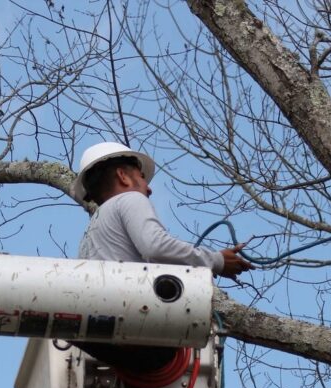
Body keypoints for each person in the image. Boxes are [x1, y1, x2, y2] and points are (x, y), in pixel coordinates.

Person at [70, 141, 254, 374]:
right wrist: (216, 261)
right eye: (142, 177)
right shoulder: (130, 199)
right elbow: (156, 247)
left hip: (102, 331)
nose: (148, 189)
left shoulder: (92, 230)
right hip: (136, 323)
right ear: (123, 176)